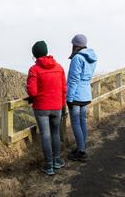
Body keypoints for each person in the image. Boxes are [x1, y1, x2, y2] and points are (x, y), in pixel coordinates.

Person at [26, 41, 67, 176]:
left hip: (42, 108)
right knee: (55, 133)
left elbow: (32, 92)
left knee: (45, 135)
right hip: (57, 107)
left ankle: (49, 165)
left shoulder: (34, 69)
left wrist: (28, 87)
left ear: (35, 55)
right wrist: (62, 105)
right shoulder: (59, 67)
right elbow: (63, 89)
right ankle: (57, 160)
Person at [66, 34, 97, 162]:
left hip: (76, 95)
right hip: (86, 94)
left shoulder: (77, 58)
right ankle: (81, 147)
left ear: (75, 45)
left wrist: (69, 97)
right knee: (83, 122)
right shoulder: (92, 58)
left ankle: (81, 151)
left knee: (76, 123)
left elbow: (73, 80)